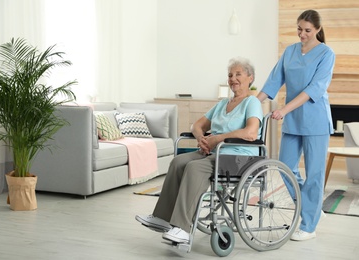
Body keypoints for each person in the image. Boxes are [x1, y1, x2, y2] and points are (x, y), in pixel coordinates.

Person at [136, 57, 263, 244]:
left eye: (238, 74)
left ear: (250, 78)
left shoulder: (251, 102)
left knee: (195, 168)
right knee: (178, 162)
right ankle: (163, 218)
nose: (233, 78)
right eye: (230, 75)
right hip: (215, 152)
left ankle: (183, 229)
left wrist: (217, 138)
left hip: (237, 156)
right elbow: (198, 125)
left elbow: (251, 132)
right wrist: (202, 139)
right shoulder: (222, 104)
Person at [257, 10, 335, 241]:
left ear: (318, 30)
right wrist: (251, 102)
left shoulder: (326, 53)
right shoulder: (290, 51)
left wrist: (283, 109)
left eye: (307, 30)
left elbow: (315, 89)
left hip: (315, 120)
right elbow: (273, 80)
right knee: (285, 167)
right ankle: (311, 204)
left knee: (314, 174)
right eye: (299, 29)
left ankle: (309, 225)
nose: (302, 34)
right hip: (292, 119)